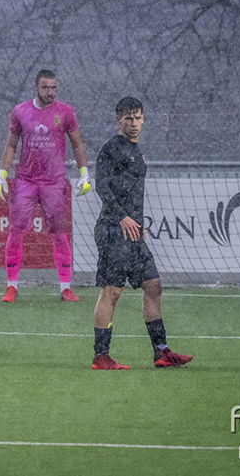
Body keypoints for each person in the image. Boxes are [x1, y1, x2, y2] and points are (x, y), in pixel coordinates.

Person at [91, 97, 193, 370]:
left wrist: (136, 221)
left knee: (153, 284)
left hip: (133, 231)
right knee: (111, 292)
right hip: (113, 230)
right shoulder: (111, 149)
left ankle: (161, 352)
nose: (134, 123)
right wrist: (122, 217)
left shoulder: (136, 150)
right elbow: (102, 186)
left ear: (143, 119)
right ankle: (101, 357)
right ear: (118, 120)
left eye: (137, 118)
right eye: (128, 119)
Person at [0, 69, 91, 303]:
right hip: (25, 180)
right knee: (16, 232)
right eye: (46, 87)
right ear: (36, 87)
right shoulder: (20, 111)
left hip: (54, 181)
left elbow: (77, 143)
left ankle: (65, 288)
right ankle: (11, 286)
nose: (50, 92)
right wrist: (1, 174)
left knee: (59, 233)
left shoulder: (65, 112)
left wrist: (84, 173)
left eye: (53, 87)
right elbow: (11, 145)